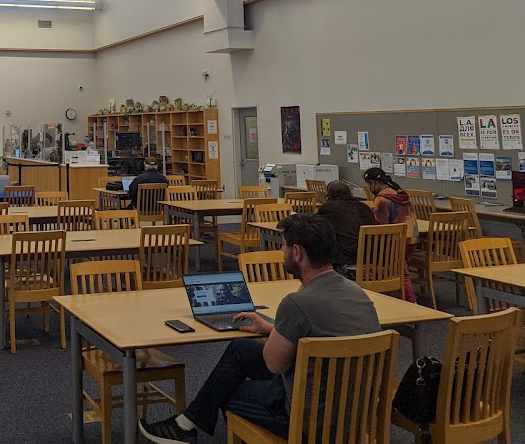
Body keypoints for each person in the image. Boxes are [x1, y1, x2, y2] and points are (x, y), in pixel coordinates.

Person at [139, 214, 380, 443]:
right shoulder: (358, 294)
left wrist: (282, 324)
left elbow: (275, 365)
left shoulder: (297, 303)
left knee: (227, 390)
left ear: (297, 252)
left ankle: (188, 426)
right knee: (241, 348)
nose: (281, 251)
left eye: (284, 246)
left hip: (307, 420)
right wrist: (272, 328)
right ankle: (186, 424)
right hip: (356, 412)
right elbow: (318, 333)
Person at [364, 166, 417, 303]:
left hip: (395, 241)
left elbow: (380, 227)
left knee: (402, 275)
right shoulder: (401, 194)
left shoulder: (381, 200)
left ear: (374, 183)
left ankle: (412, 305)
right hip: (411, 238)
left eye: (368, 184)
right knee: (402, 272)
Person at [317, 180, 377, 276]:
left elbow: (319, 232)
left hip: (347, 263)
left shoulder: (328, 209)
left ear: (329, 195)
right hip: (373, 263)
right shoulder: (364, 208)